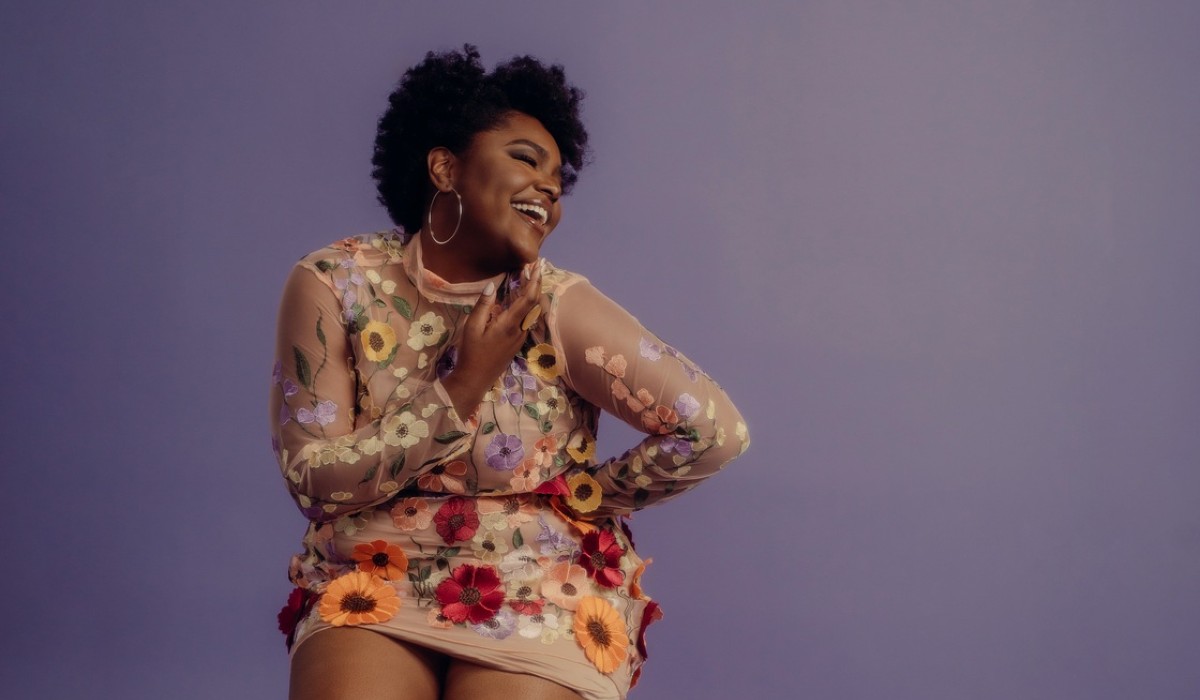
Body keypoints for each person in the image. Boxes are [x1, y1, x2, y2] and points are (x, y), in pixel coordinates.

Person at [270, 45, 749, 700]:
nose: (549, 188)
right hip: (369, 573)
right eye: (526, 159)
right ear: (444, 167)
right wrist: (463, 386)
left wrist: (589, 497)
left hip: (537, 581)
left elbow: (713, 431)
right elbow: (314, 481)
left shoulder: (556, 304)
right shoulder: (336, 283)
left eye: (558, 178)